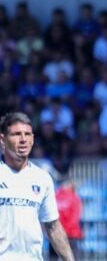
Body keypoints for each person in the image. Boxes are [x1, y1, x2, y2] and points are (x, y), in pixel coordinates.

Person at [0, 112, 75, 261]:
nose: (23, 140)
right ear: (3, 140)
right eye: (16, 134)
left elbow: (53, 226)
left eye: (27, 134)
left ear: (33, 139)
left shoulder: (42, 178)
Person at [54, 178, 83, 257]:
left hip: (55, 233)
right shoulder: (75, 198)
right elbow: (76, 218)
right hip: (71, 234)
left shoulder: (54, 197)